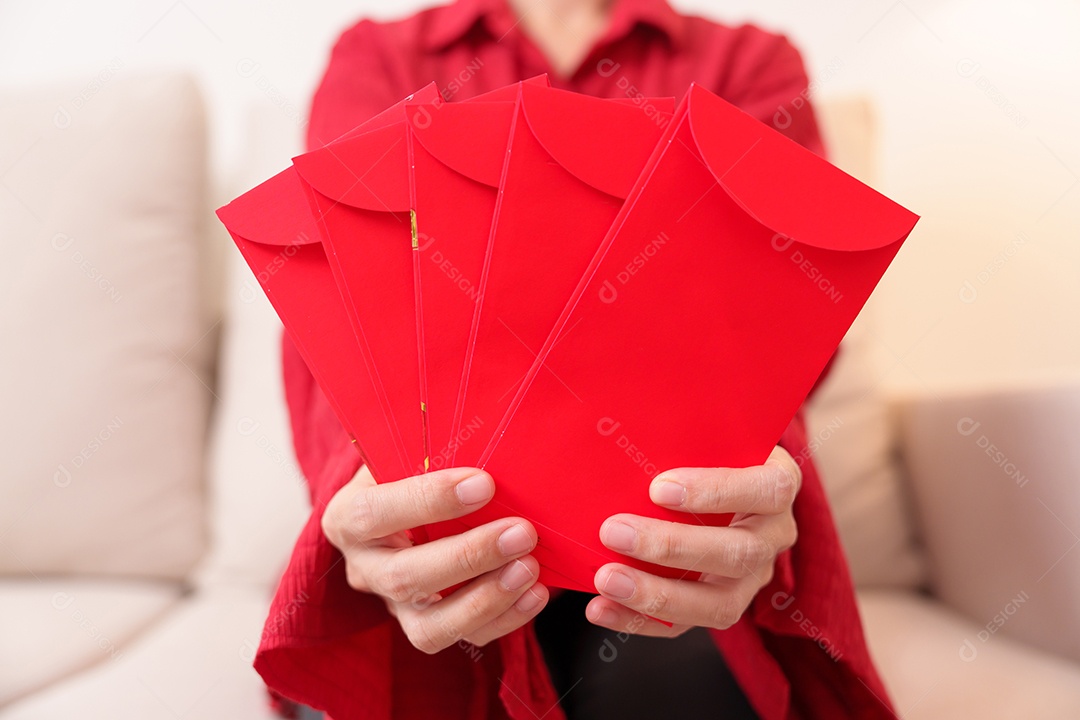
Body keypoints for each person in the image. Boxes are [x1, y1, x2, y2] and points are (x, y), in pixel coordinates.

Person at [257, 1, 898, 718]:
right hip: (441, 521)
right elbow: (338, 312)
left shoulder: (746, 62)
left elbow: (787, 327)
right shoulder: (380, 56)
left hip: (666, 530)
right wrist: (371, 491)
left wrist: (738, 493)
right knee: (410, 679)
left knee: (685, 686)